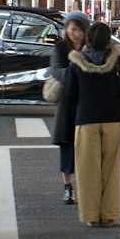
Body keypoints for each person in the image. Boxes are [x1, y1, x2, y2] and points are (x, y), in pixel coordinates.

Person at [56, 21, 120, 227]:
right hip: (112, 121)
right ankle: (109, 215)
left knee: (87, 171)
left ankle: (91, 216)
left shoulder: (77, 62)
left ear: (88, 39)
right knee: (110, 171)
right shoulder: (118, 61)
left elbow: (70, 96)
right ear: (108, 40)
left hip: (85, 121)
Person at [49, 12, 90, 204]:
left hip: (87, 103)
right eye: (72, 29)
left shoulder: (91, 47)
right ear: (66, 29)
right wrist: (78, 65)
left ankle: (85, 187)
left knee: (86, 148)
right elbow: (56, 71)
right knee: (67, 146)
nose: (75, 33)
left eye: (79, 29)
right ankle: (67, 187)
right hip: (66, 103)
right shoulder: (60, 47)